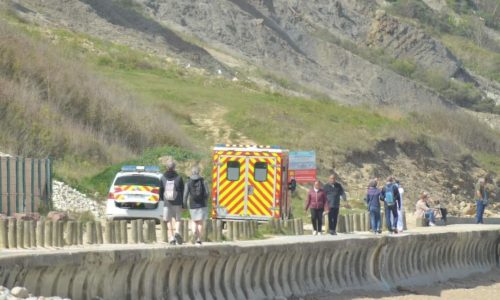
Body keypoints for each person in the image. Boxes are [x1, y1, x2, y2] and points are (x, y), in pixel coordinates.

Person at [159, 160, 185, 245]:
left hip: (167, 202)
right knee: (177, 219)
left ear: (167, 167)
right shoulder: (179, 177)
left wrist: (162, 198)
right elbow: (182, 190)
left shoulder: (163, 177)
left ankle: (171, 238)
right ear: (174, 168)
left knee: (168, 220)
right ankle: (177, 231)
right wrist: (183, 203)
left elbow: (161, 190)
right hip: (177, 201)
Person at [183, 166, 209, 244]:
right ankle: (198, 239)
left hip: (192, 204)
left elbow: (185, 195)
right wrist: (205, 200)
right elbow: (207, 193)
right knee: (200, 222)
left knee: (194, 221)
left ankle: (194, 232)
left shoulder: (188, 182)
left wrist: (184, 205)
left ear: (192, 172)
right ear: (198, 172)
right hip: (202, 204)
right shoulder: (203, 181)